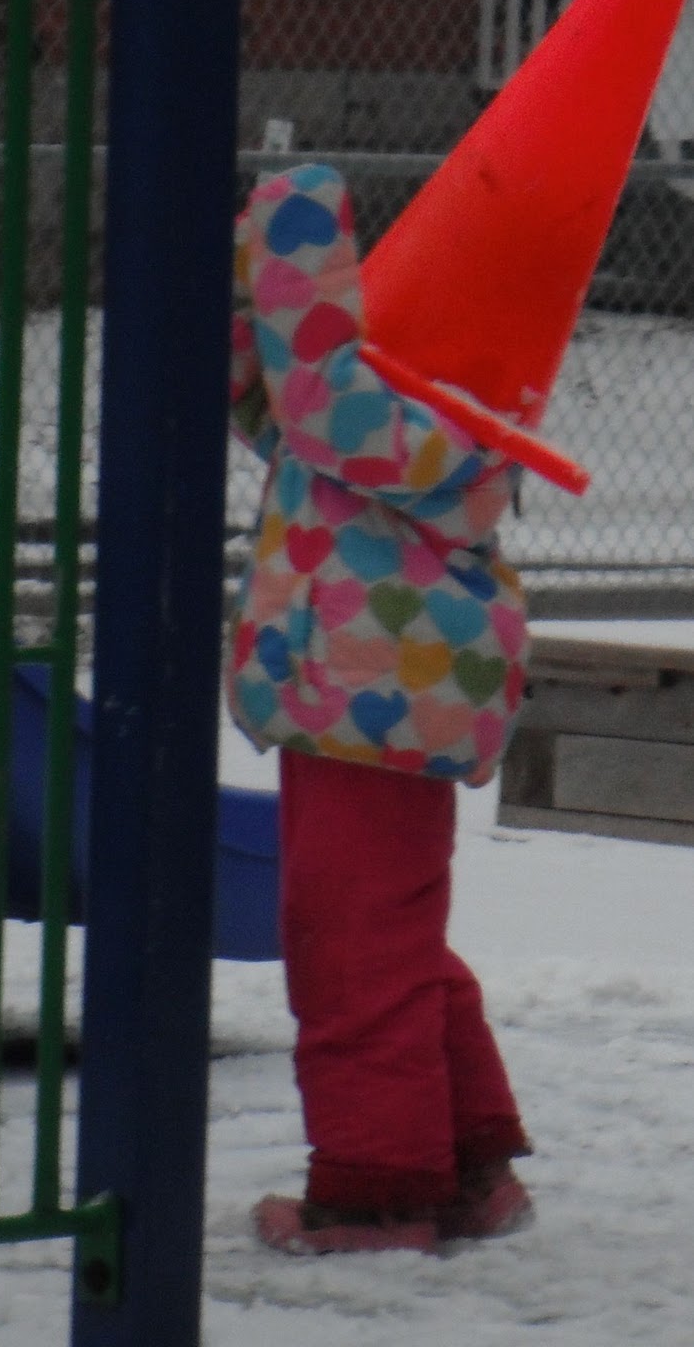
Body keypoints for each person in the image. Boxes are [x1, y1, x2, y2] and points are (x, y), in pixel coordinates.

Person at [226, 162, 534, 1255]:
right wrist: (245, 290)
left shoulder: (418, 415)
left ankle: (379, 1191)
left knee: (349, 940)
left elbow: (314, 398)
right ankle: (463, 1161)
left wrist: (289, 213)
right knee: (387, 927)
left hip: (376, 693)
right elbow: (276, 406)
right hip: (356, 691)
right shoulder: (364, 419)